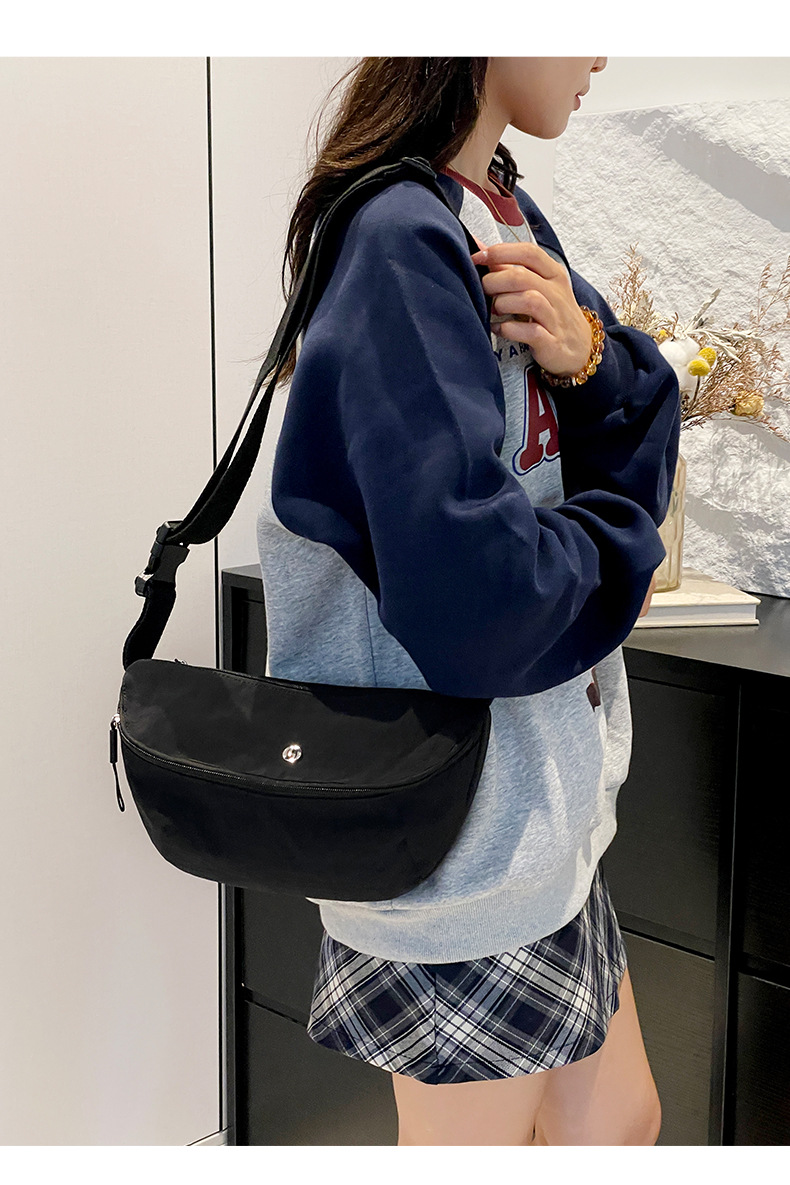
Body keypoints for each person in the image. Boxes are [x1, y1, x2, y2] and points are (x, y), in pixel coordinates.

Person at [256, 57, 681, 1146]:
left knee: (618, 1125)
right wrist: (621, 547)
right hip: (458, 837)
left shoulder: (492, 206)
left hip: (537, 813)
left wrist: (590, 359)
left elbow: (624, 411)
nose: (598, 53)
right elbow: (477, 599)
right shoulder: (400, 237)